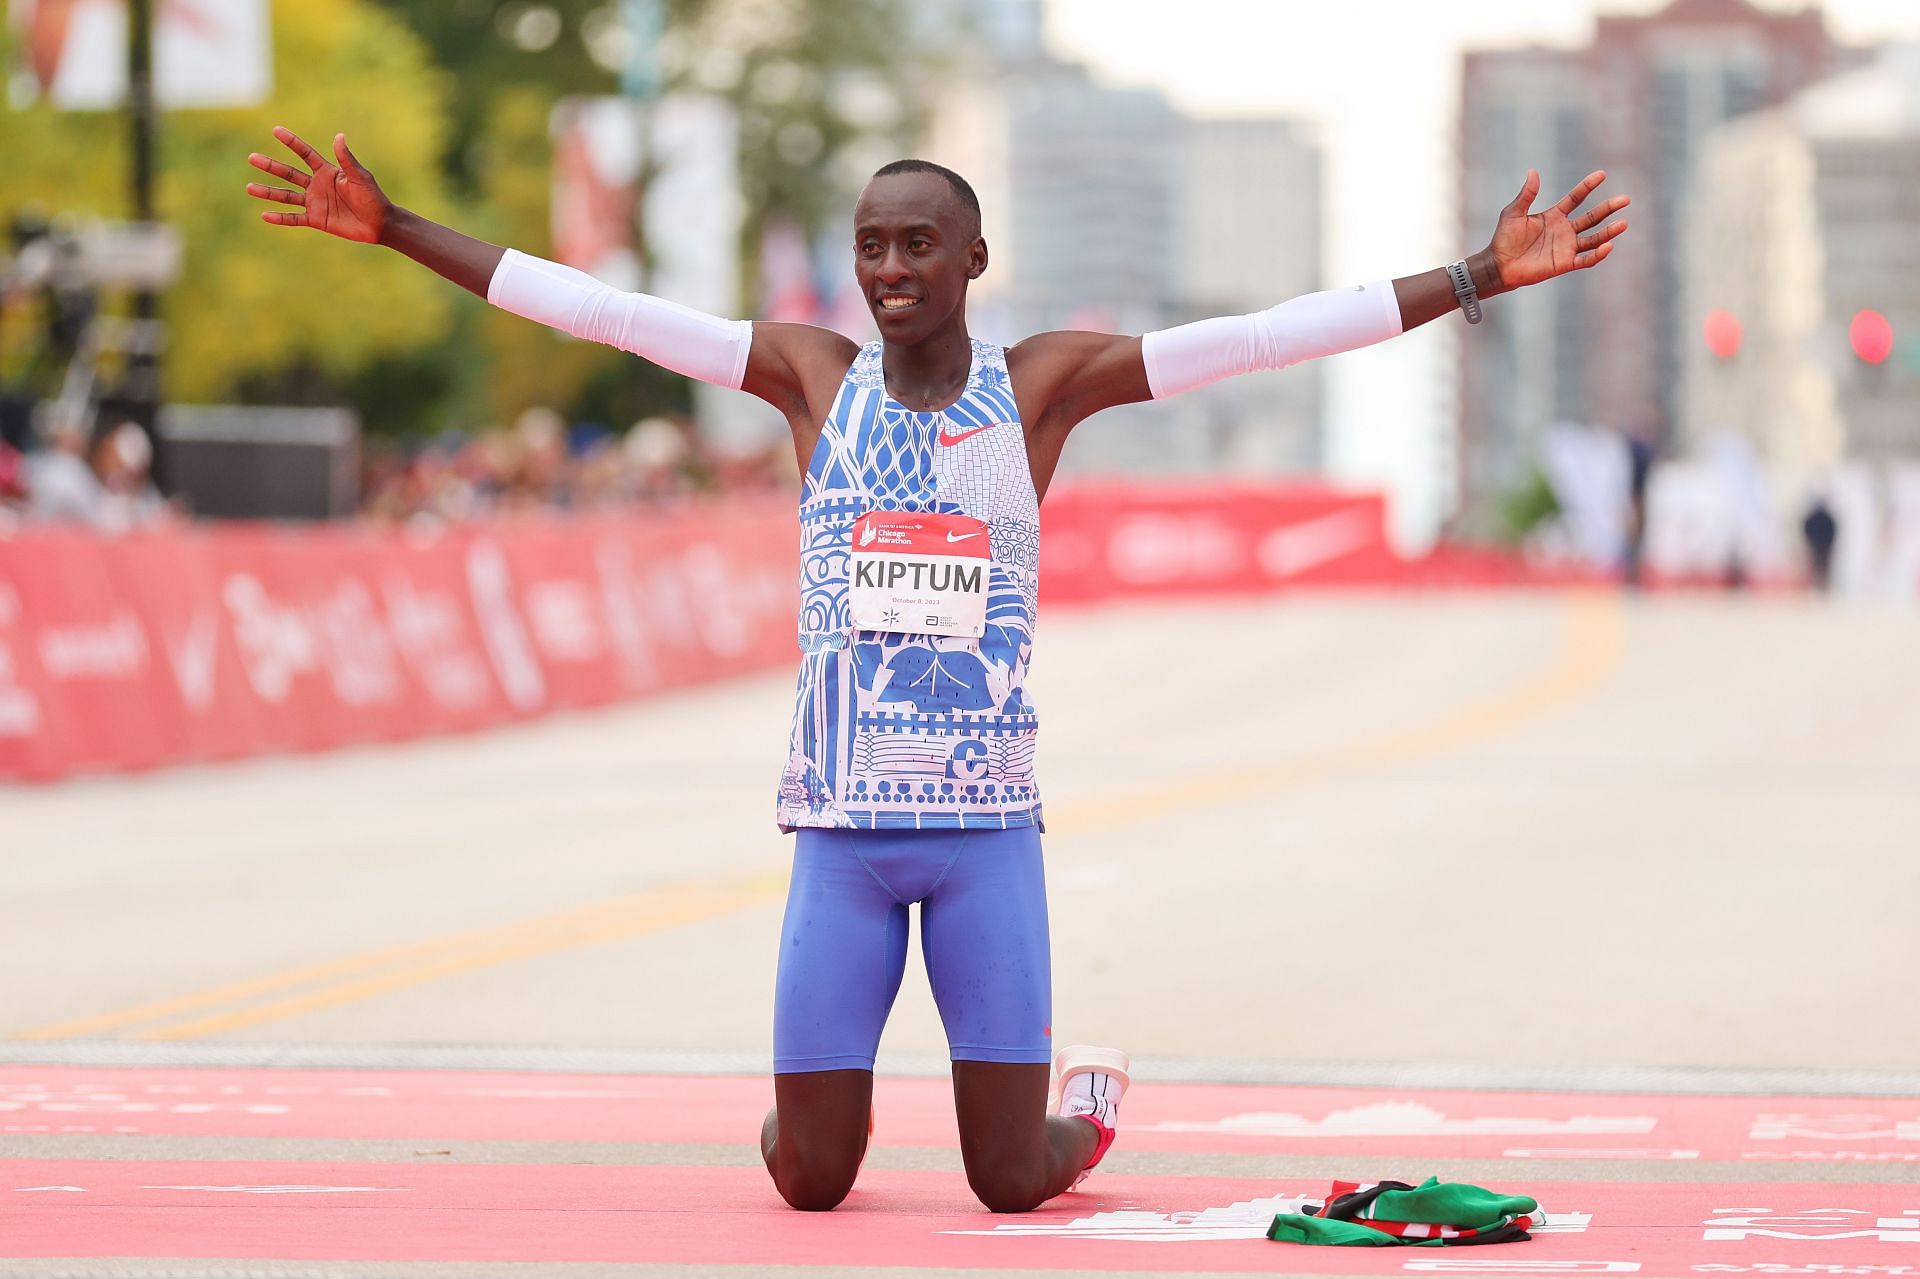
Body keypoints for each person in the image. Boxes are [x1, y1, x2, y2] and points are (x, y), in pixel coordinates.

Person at [246, 125, 1629, 1213]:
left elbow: (1263, 335)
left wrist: (1480, 274)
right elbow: (600, 310)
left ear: (973, 259)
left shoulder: (1038, 386)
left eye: (919, 245)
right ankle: (813, 1086)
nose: (890, 269)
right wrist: (393, 233)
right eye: (871, 247)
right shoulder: (807, 376)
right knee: (809, 1178)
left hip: (982, 842)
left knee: (1008, 1183)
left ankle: (1079, 1099)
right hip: (841, 839)